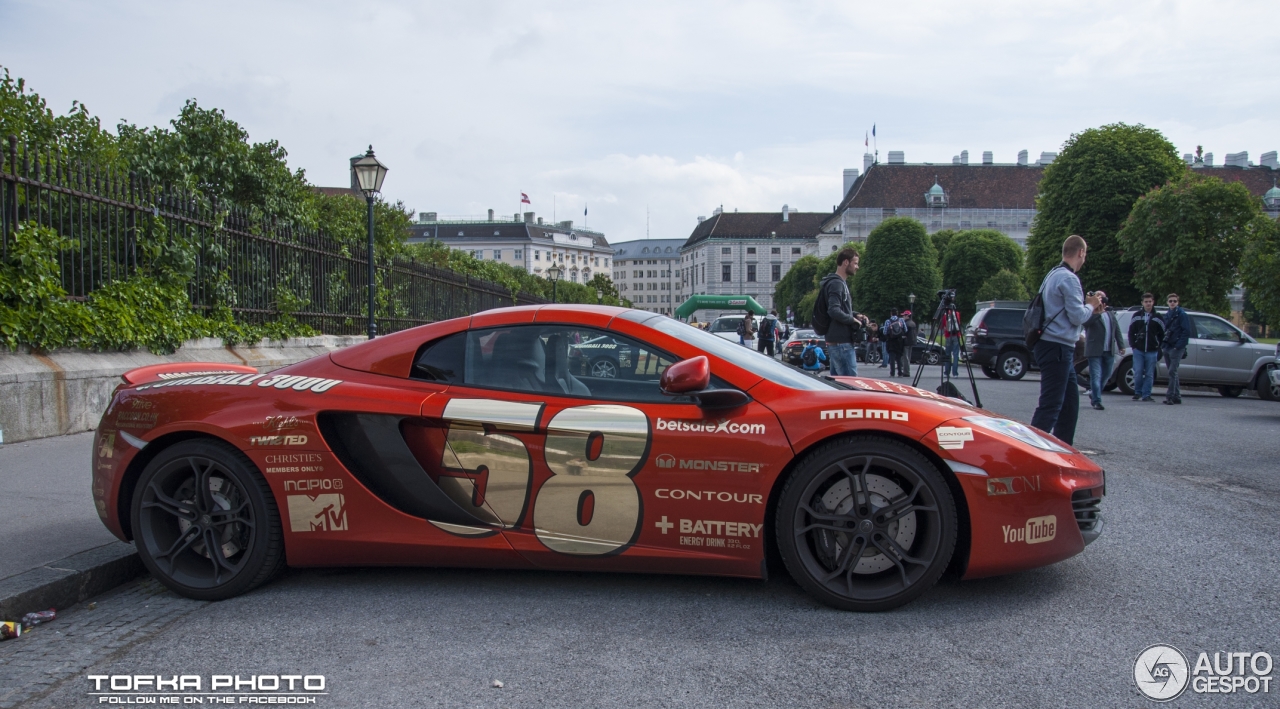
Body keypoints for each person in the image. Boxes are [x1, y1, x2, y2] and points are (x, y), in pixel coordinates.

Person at [1030, 235, 1103, 445]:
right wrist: (1091, 304)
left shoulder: (1053, 274)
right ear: (1080, 252)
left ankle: (1062, 448)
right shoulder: (1070, 278)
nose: (1084, 259)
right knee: (1051, 405)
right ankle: (1031, 450)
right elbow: (1077, 316)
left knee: (1070, 404)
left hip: (1051, 344)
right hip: (1057, 347)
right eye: (1085, 254)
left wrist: (1089, 308)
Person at [818, 249, 868, 376]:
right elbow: (833, 310)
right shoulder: (837, 284)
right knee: (849, 385)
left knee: (838, 384)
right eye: (855, 263)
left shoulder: (836, 282)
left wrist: (855, 314)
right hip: (842, 343)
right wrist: (852, 320)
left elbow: (838, 308)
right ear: (846, 262)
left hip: (836, 341)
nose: (857, 267)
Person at [1083, 303, 1125, 410]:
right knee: (1096, 376)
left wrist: (1121, 345)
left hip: (1108, 350)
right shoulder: (1090, 312)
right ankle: (1097, 401)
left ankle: (1094, 393)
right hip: (1094, 350)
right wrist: (1097, 313)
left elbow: (1117, 330)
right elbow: (1085, 323)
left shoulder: (1110, 313)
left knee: (1107, 375)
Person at [1128, 292, 1164, 402]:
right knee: (1138, 372)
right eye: (1146, 302)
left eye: (1150, 301)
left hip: (1152, 350)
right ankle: (1137, 392)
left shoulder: (1158, 317)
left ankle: (1146, 394)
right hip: (1138, 349)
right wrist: (1133, 346)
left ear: (1153, 302)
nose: (1148, 304)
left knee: (1149, 373)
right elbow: (1131, 332)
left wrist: (1159, 347)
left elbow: (1162, 334)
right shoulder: (1137, 315)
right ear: (1142, 303)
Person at [1161, 293, 1191, 405]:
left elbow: (1186, 331)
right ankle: (1177, 396)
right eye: (1170, 301)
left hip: (1176, 347)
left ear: (1178, 302)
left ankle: (1170, 396)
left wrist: (1178, 345)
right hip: (1168, 346)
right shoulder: (1168, 314)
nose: (1172, 303)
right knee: (1173, 372)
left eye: (1174, 301)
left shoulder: (1182, 315)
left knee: (1172, 371)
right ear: (1167, 302)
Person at [884, 309, 906, 377]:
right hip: (899, 341)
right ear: (897, 313)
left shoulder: (888, 321)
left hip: (891, 341)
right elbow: (905, 329)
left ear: (891, 313)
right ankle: (900, 372)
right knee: (899, 357)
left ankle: (892, 372)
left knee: (892, 357)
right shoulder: (901, 320)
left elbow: (885, 331)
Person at [942, 307, 962, 378]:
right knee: (956, 355)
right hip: (956, 335)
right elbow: (958, 324)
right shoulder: (957, 314)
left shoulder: (945, 315)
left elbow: (943, 326)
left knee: (948, 354)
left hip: (948, 336)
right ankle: (955, 373)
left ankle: (946, 372)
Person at [902, 310, 918, 376]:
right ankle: (907, 371)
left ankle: (906, 372)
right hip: (912, 342)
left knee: (905, 357)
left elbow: (904, 333)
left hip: (906, 342)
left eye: (904, 315)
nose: (903, 317)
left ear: (907, 316)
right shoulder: (913, 323)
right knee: (908, 356)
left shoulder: (906, 324)